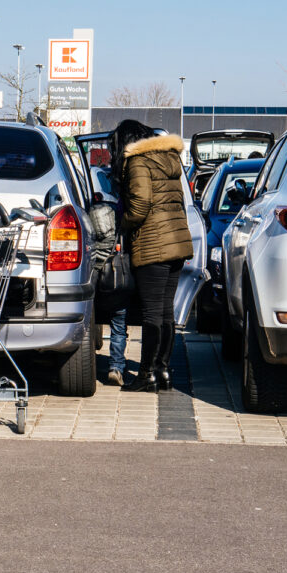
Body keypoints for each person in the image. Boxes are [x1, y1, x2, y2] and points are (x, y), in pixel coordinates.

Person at [109, 119, 193, 392]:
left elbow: (141, 204)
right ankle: (163, 370)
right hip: (177, 242)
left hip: (153, 244)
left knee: (151, 313)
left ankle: (146, 374)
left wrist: (124, 224)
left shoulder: (138, 161)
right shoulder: (169, 158)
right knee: (166, 311)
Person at [89, 198, 129, 386]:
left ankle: (88, 365)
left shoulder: (87, 219)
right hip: (114, 280)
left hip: (92, 281)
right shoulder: (118, 222)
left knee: (86, 323)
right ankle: (116, 368)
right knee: (119, 325)